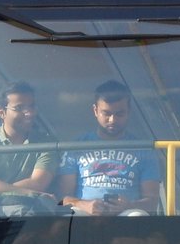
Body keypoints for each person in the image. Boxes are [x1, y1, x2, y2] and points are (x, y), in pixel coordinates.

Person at [58, 80, 162, 216]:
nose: (112, 120)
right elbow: (61, 198)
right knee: (69, 219)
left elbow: (152, 203)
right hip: (85, 213)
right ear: (95, 111)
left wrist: (128, 205)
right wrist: (85, 204)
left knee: (138, 216)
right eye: (106, 113)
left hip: (127, 213)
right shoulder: (76, 147)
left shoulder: (144, 149)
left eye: (119, 114)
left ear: (128, 111)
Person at [0, 80, 58, 198]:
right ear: (1, 112)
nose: (29, 113)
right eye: (19, 108)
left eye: (32, 106)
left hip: (32, 214)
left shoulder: (47, 143)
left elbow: (38, 183)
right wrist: (28, 193)